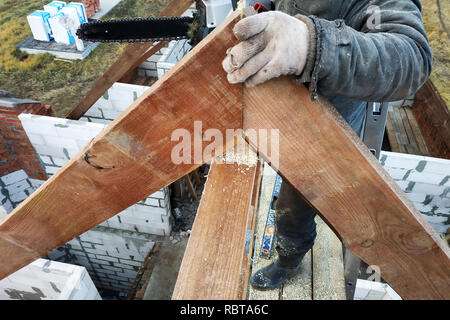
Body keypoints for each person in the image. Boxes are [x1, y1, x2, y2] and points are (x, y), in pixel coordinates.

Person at [222, 0, 432, 290]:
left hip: (327, 127)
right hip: (280, 103)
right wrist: (260, 10)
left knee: (297, 204)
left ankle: (289, 260)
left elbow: (412, 59)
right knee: (274, 174)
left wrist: (312, 45)